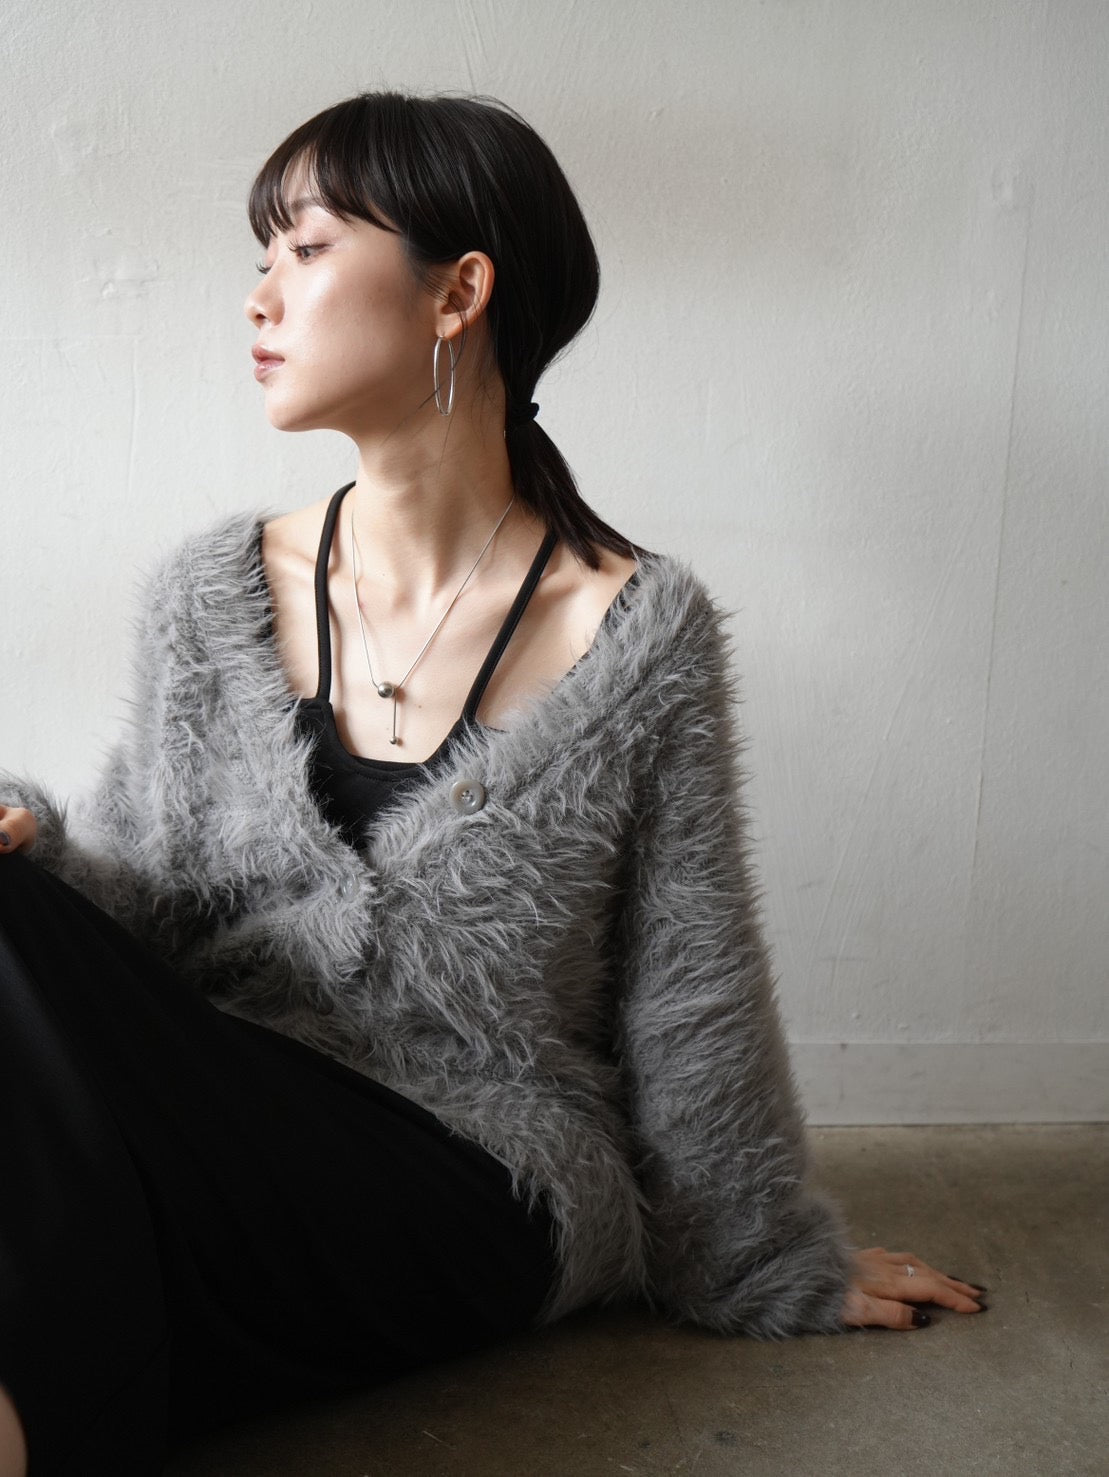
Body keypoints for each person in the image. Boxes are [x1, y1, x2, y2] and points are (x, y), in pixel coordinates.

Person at [0, 90, 986, 1477]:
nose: (257, 298)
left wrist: (755, 1252)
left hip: (474, 1158)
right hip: (231, 1103)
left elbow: (689, 975)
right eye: (260, 257)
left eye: (306, 250)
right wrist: (41, 855)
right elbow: (150, 914)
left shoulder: (636, 630)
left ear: (458, 293)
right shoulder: (206, 594)